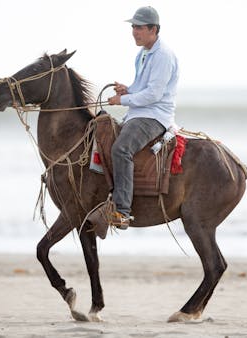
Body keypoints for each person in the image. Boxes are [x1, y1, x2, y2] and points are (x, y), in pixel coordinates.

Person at [88, 6, 179, 229]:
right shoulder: (143, 54)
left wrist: (121, 101)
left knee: (121, 149)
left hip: (154, 116)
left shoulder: (164, 56)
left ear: (153, 29)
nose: (134, 31)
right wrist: (127, 90)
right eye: (133, 27)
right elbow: (142, 88)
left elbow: (154, 95)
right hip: (139, 113)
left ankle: (122, 211)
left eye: (139, 27)